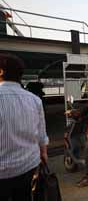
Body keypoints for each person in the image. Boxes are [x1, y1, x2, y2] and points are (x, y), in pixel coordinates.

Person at [0, 53, 49, 201]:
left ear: (1, 71)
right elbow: (41, 135)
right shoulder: (34, 100)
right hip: (28, 166)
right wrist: (44, 154)